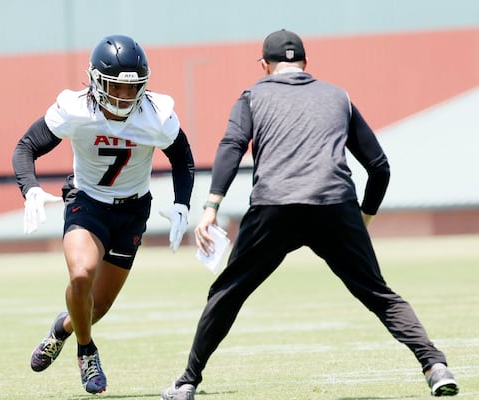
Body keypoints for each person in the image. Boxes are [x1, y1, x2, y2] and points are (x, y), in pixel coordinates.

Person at [161, 29, 458, 399]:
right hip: (334, 205)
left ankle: (188, 381)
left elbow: (232, 145)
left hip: (275, 207)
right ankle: (435, 365)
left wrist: (211, 208)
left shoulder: (253, 95)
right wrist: (362, 219)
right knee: (378, 294)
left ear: (265, 65)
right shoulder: (338, 96)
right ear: (305, 63)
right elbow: (379, 167)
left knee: (228, 293)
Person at [12, 34, 195, 395]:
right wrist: (30, 188)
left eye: (133, 89)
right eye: (116, 87)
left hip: (132, 209)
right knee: (81, 275)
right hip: (88, 200)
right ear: (96, 81)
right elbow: (26, 146)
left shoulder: (155, 115)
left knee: (100, 304)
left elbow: (182, 158)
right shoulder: (76, 109)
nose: (125, 97)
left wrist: (181, 202)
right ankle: (86, 351)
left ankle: (62, 329)